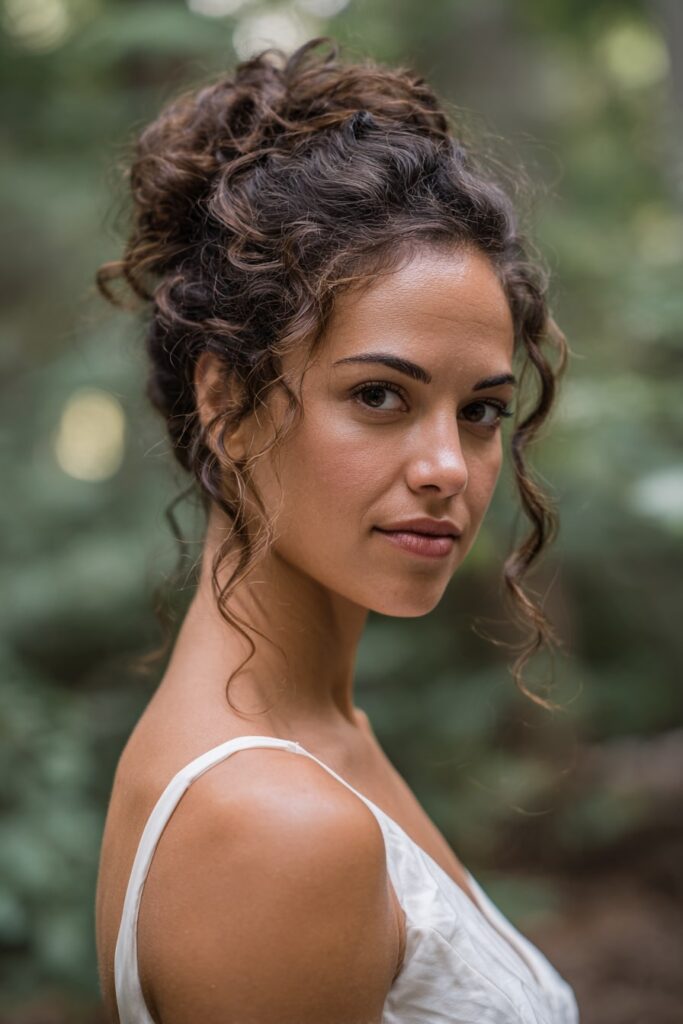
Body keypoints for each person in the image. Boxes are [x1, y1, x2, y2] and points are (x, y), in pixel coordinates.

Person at [94, 35, 579, 1024]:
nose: (448, 465)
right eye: (378, 395)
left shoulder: (321, 736)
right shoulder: (275, 826)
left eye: (480, 410)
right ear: (227, 405)